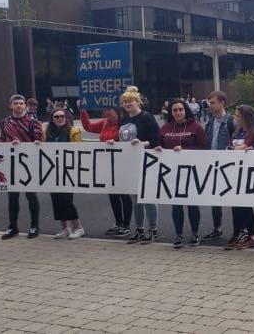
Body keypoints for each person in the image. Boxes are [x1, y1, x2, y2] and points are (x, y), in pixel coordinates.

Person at [157, 98, 208, 248]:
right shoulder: (165, 128)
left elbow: (204, 147)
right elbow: (159, 144)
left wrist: (185, 150)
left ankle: (195, 234)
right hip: (171, 172)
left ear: (185, 110)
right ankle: (178, 235)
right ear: (170, 112)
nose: (178, 112)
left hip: (191, 171)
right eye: (174, 110)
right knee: (176, 205)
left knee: (192, 204)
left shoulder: (196, 127)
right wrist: (158, 149)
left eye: (180, 109)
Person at [78, 100, 132, 237]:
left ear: (117, 111)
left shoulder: (124, 124)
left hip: (122, 163)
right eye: (105, 111)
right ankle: (118, 223)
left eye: (110, 111)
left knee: (124, 194)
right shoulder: (105, 123)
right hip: (107, 163)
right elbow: (89, 127)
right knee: (113, 194)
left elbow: (129, 140)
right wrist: (83, 111)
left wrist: (117, 142)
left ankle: (126, 225)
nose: (107, 114)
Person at [0, 94, 43, 239]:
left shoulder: (33, 122)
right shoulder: (4, 122)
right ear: (10, 106)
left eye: (21, 103)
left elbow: (38, 141)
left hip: (28, 165)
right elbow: (3, 138)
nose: (19, 105)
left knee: (31, 196)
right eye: (16, 103)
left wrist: (24, 144)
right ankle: (12, 227)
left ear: (25, 105)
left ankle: (35, 226)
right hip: (11, 165)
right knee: (12, 197)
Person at [117, 86, 160, 244]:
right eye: (125, 102)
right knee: (135, 198)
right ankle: (139, 229)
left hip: (146, 161)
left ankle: (153, 229)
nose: (127, 104)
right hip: (130, 163)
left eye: (130, 101)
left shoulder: (147, 117)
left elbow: (157, 139)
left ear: (138, 102)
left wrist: (142, 143)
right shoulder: (124, 119)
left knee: (147, 197)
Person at [224, 104, 254, 250]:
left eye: (238, 116)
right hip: (234, 172)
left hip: (247, 173)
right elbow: (230, 147)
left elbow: (250, 147)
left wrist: (238, 149)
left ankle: (251, 235)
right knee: (235, 206)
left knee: (246, 205)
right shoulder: (237, 132)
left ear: (246, 117)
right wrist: (236, 149)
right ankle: (237, 233)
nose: (235, 118)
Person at [45, 108, 86, 239]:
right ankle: (65, 228)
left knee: (66, 200)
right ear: (52, 119)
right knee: (56, 200)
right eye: (56, 117)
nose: (60, 119)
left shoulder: (73, 131)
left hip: (68, 170)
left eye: (62, 116)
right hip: (52, 170)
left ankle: (78, 227)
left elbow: (80, 149)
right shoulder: (47, 133)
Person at [202, 91, 236, 241]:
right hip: (213, 165)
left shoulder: (232, 122)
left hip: (228, 165)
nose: (210, 105)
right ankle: (217, 228)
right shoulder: (209, 123)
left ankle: (239, 230)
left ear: (222, 103)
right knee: (215, 198)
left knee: (234, 198)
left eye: (213, 103)